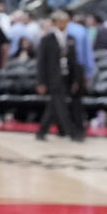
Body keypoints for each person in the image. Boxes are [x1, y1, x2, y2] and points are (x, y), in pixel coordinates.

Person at [34, 10, 85, 143]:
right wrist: (41, 82)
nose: (65, 24)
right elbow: (41, 62)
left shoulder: (70, 39)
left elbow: (73, 61)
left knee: (53, 106)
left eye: (66, 21)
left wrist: (75, 80)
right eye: (62, 21)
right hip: (53, 78)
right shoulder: (47, 39)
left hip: (67, 76)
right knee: (61, 107)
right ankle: (73, 133)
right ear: (55, 22)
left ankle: (41, 132)